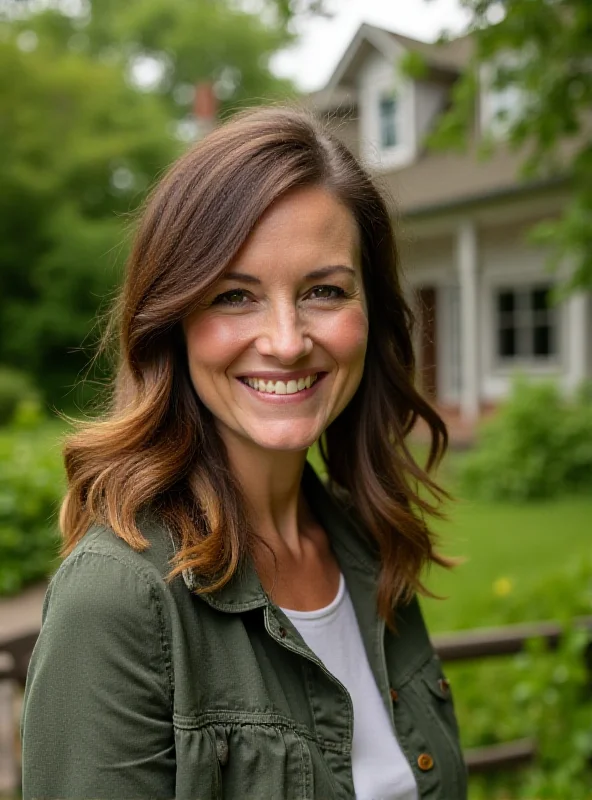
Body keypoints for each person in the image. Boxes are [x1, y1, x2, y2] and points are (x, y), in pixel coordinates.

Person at [21, 106, 467, 800]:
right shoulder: (118, 600)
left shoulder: (370, 549)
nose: (287, 341)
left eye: (324, 290)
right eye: (235, 296)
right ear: (174, 322)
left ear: (369, 311)